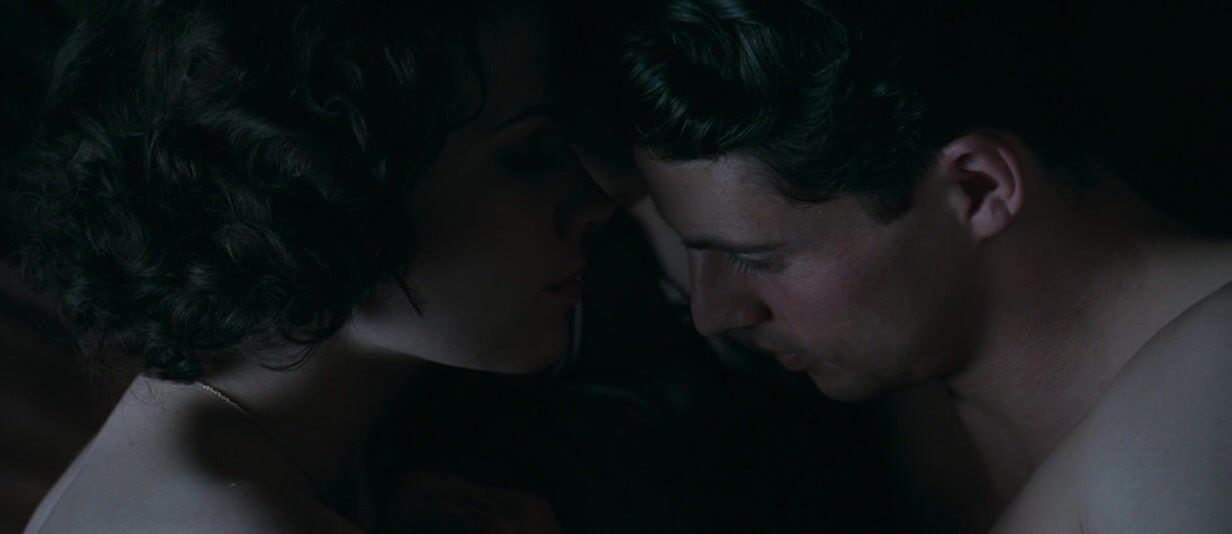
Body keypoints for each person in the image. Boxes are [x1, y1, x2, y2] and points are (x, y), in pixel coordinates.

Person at [621, 0, 1232, 531]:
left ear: (977, 189)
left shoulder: (1207, 392)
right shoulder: (881, 368)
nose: (713, 313)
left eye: (755, 258)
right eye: (697, 248)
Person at [3, 0, 614, 531]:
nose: (594, 204)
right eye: (530, 155)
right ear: (327, 190)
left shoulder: (202, 455)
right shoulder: (234, 517)